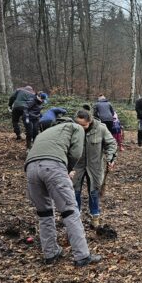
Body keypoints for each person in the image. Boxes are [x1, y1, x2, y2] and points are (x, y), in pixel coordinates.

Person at [25, 109, 101, 266]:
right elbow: (76, 152)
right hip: (53, 167)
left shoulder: (44, 132)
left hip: (31, 169)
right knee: (70, 211)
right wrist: (67, 170)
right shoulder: (76, 128)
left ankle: (50, 253)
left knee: (44, 213)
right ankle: (82, 256)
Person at [72, 110, 117, 229]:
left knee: (94, 191)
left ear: (90, 121)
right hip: (76, 166)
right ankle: (76, 217)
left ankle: (95, 216)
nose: (80, 127)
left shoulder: (101, 129)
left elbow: (111, 144)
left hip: (95, 166)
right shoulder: (72, 129)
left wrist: (110, 157)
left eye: (83, 125)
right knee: (75, 191)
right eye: (78, 124)